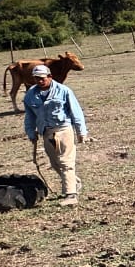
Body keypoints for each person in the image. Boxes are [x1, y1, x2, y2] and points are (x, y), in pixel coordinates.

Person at [23, 64, 89, 206]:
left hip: (63, 129)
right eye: (36, 79)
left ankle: (71, 195)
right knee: (55, 163)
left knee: (66, 161)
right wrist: (30, 132)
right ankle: (74, 182)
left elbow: (76, 111)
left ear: (50, 77)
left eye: (42, 78)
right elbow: (29, 117)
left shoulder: (63, 91)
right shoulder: (30, 95)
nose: (39, 81)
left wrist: (81, 131)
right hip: (46, 132)